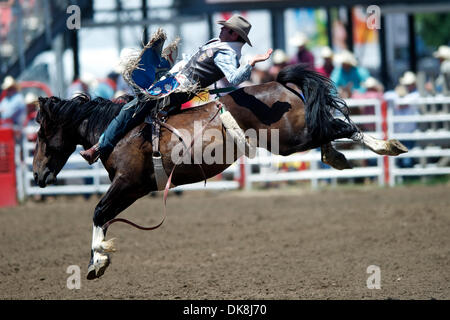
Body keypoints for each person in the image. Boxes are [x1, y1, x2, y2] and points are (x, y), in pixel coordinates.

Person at [80, 15, 273, 164]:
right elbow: (192, 60)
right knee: (130, 103)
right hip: (173, 82)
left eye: (226, 28)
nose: (222, 28)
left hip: (177, 90)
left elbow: (233, 78)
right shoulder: (220, 44)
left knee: (129, 109)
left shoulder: (229, 54)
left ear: (234, 34)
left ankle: (98, 148)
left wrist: (250, 63)